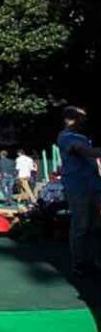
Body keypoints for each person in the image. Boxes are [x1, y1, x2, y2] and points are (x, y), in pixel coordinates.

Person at [56, 106, 101, 277]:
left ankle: (94, 259)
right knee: (81, 224)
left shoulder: (82, 136)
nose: (85, 120)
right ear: (70, 119)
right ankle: (79, 263)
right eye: (81, 117)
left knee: (96, 224)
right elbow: (84, 152)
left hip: (94, 184)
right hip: (77, 185)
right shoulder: (66, 136)